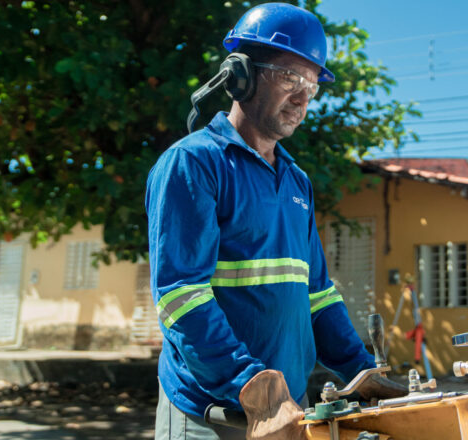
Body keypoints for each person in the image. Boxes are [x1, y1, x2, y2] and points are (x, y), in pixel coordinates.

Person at [145, 3, 404, 439]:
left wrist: (361, 371)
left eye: (312, 86)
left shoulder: (297, 182)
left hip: (288, 412)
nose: (303, 98)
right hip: (213, 416)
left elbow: (317, 295)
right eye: (290, 78)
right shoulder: (193, 164)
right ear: (241, 76)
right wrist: (253, 385)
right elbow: (180, 296)